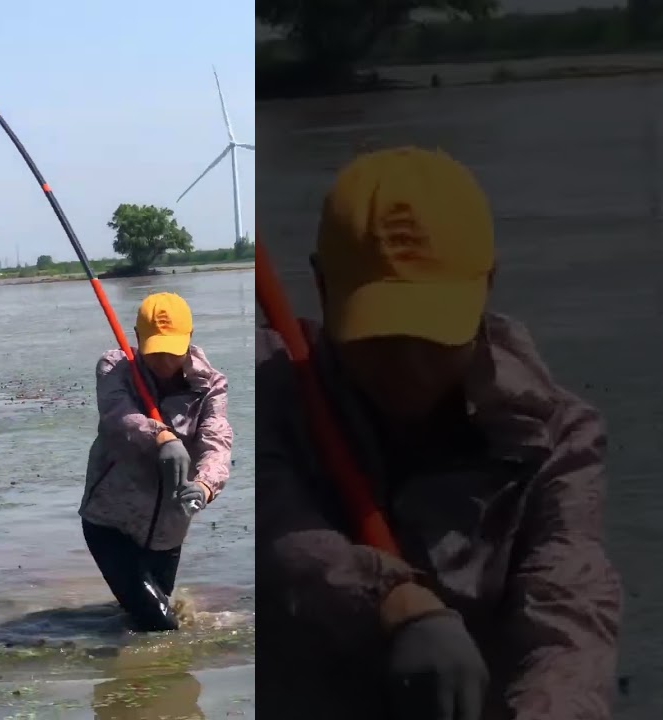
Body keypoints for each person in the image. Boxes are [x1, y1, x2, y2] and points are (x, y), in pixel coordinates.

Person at [257, 147, 622, 720]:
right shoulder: (267, 394)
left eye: (433, 338)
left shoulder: (557, 439)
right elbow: (277, 533)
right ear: (323, 290)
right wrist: (391, 600)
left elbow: (570, 615)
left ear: (487, 287)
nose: (409, 370)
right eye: (378, 341)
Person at [79, 291, 233, 632]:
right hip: (110, 522)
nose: (163, 362)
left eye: (172, 352)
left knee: (140, 621)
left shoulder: (211, 386)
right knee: (160, 625)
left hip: (168, 531)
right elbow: (116, 416)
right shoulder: (115, 367)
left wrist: (206, 485)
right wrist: (160, 436)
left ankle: (139, 683)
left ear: (189, 339)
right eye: (155, 352)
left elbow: (217, 442)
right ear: (137, 338)